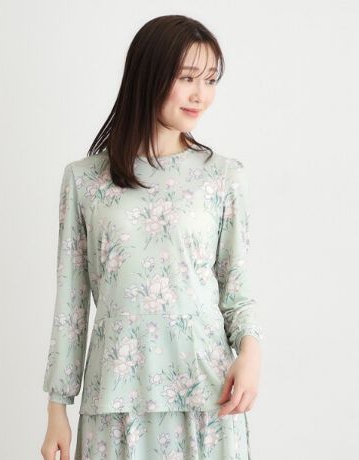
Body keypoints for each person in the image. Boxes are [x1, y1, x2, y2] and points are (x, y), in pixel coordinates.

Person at [41, 14, 264, 460]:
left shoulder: (223, 177)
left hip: (207, 395)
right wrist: (57, 409)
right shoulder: (85, 181)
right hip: (115, 398)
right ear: (149, 75)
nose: (201, 94)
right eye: (187, 78)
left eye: (210, 80)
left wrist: (251, 353)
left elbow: (234, 288)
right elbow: (71, 305)